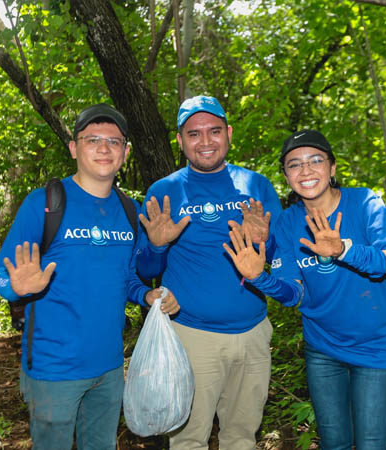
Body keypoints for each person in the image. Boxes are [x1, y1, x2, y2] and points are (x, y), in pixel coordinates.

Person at [0, 103, 180, 449]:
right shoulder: (45, 203)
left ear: (125, 151)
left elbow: (133, 278)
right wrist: (14, 288)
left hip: (108, 366)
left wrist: (151, 273)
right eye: (92, 139)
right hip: (53, 369)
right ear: (74, 148)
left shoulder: (129, 210)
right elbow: (0, 276)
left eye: (114, 141)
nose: (104, 148)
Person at [222, 130, 386, 449]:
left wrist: (345, 251)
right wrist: (259, 278)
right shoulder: (287, 222)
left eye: (315, 160)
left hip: (375, 347)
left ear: (332, 168)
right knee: (334, 444)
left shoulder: (363, 201)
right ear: (286, 176)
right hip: (323, 350)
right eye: (294, 164)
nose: (305, 170)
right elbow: (295, 294)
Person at [135, 95, 283, 450]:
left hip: (252, 334)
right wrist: (157, 246)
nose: (205, 141)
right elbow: (145, 270)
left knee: (242, 436)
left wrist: (266, 242)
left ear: (228, 133)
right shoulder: (165, 191)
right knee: (188, 439)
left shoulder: (255, 185)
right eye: (194, 133)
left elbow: (277, 259)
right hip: (191, 335)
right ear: (181, 140)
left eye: (214, 131)